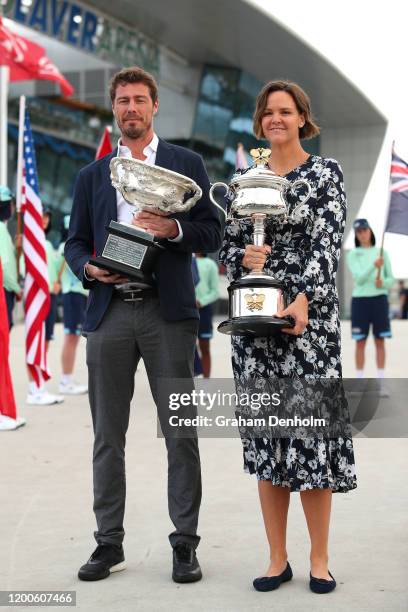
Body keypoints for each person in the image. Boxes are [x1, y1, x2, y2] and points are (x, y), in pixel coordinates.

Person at [65, 66, 221, 583]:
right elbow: (75, 242)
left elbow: (212, 232)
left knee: (181, 434)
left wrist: (172, 226)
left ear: (155, 106)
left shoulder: (186, 164)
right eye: (123, 100)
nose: (131, 108)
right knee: (108, 436)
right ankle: (108, 543)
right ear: (115, 108)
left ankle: (184, 544)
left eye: (140, 99)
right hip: (109, 312)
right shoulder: (92, 176)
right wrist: (89, 267)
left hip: (167, 315)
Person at [219, 80, 357, 595]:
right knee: (269, 442)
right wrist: (243, 260)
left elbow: (326, 240)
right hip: (254, 327)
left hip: (308, 325)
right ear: (260, 122)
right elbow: (228, 248)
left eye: (286, 111)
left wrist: (303, 298)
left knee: (312, 441)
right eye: (268, 112)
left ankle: (319, 559)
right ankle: (277, 558)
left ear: (302, 117)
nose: (276, 119)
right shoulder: (242, 180)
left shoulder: (325, 174)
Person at [346, 219, 394, 395]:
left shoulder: (382, 253)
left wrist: (383, 282)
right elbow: (358, 279)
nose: (362, 234)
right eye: (359, 232)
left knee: (380, 341)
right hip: (360, 301)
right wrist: (374, 266)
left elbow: (391, 280)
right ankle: (359, 382)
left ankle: (381, 383)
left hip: (379, 300)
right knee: (360, 342)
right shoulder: (353, 254)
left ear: (370, 231)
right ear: (356, 235)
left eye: (365, 230)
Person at [26, 208, 64, 405]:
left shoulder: (48, 244)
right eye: (41, 215)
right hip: (35, 296)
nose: (44, 219)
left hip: (49, 295)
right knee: (35, 340)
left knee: (46, 340)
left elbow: (54, 267)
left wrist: (56, 283)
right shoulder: (27, 241)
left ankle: (39, 384)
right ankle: (33, 387)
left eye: (47, 216)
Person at [56, 215, 88, 395]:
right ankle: (65, 380)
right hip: (72, 295)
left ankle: (67, 378)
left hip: (78, 296)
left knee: (73, 338)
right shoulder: (66, 248)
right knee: (71, 337)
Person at [0, 186, 22, 329]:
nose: (13, 208)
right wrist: (16, 288)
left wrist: (16, 249)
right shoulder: (1, 229)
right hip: (4, 290)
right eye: (12, 204)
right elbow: (4, 265)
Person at [195, 253, 219, 377]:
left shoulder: (210, 264)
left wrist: (201, 301)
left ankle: (206, 384)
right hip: (185, 310)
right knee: (186, 349)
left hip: (203, 310)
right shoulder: (185, 260)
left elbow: (215, 291)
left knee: (204, 348)